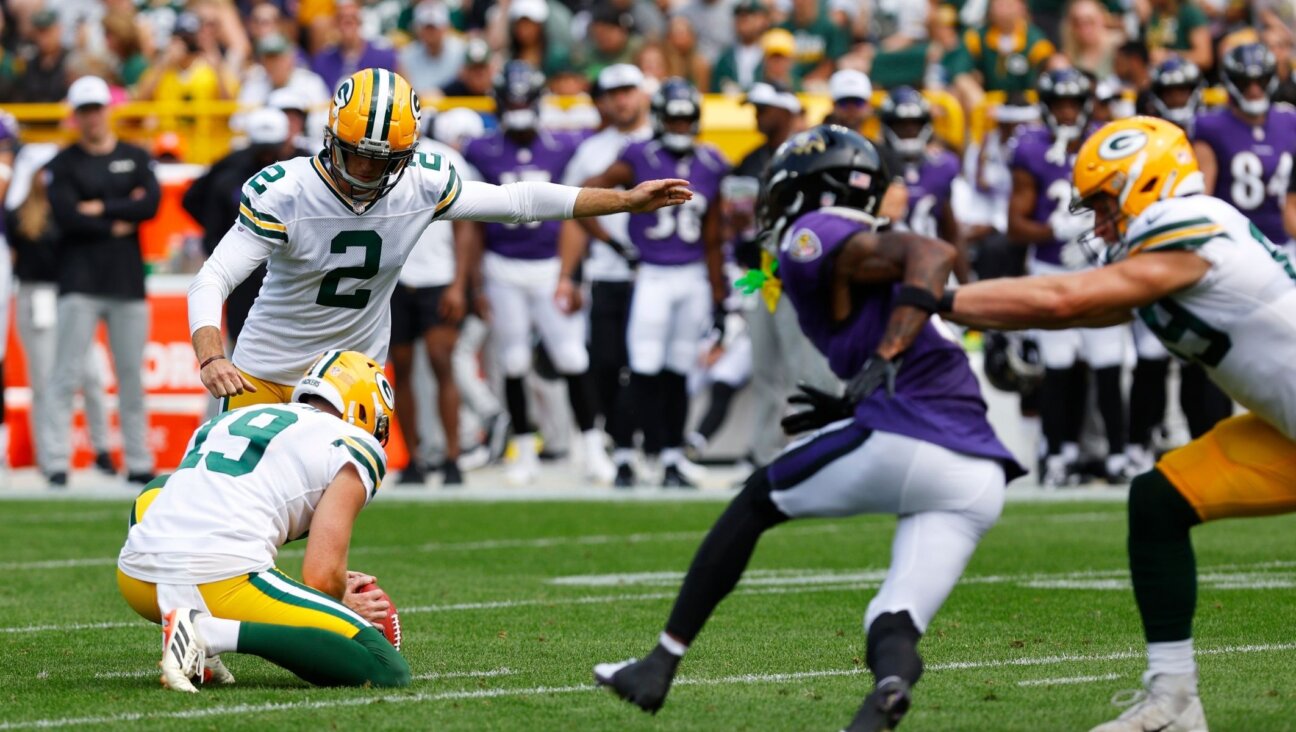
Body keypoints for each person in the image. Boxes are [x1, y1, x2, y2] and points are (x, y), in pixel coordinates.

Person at [594, 125, 1023, 731]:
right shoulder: (852, 245)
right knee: (893, 620)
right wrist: (854, 400)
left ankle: (658, 665)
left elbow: (932, 255)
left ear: (807, 189)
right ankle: (888, 693)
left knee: (755, 501)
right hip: (979, 474)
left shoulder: (815, 229)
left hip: (912, 438)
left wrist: (885, 357)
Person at [940, 114, 1296, 732]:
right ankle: (1174, 701)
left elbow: (1065, 299)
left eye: (1106, 202)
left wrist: (935, 301)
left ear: (1147, 180)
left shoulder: (1185, 222)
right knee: (1159, 502)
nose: (1101, 222)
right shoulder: (1172, 246)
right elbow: (1079, 313)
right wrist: (957, 310)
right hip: (1285, 429)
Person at [186, 68, 690, 450]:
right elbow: (213, 278)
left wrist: (622, 200)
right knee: (248, 504)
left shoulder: (421, 181)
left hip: (349, 377)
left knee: (330, 500)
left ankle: (332, 584)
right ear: (329, 138)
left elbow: (518, 201)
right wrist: (211, 354)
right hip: (265, 369)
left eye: (381, 160)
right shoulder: (289, 190)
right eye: (355, 154)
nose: (365, 171)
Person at [117, 350, 409, 692]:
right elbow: (320, 575)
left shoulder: (226, 421)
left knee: (160, 488)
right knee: (387, 668)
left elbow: (156, 493)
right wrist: (340, 597)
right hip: (219, 578)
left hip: (137, 581)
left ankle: (194, 634)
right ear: (365, 411)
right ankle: (206, 633)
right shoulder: (357, 444)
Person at [462, 61, 614, 486]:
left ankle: (592, 448)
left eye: (523, 99)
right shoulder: (482, 150)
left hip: (548, 265)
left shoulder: (563, 146)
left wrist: (569, 274)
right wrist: (475, 283)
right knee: (512, 360)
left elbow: (573, 216)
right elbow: (472, 224)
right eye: (511, 100)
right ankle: (524, 450)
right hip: (502, 265)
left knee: (571, 356)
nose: (518, 108)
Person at [582, 78, 730, 488]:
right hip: (652, 274)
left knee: (678, 370)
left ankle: (670, 458)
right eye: (674, 119)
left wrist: (722, 298)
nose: (681, 127)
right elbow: (584, 195)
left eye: (687, 119)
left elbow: (715, 239)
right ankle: (626, 455)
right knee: (643, 367)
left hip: (693, 277)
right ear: (662, 119)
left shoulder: (713, 163)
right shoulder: (638, 155)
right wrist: (614, 244)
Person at [1009, 68, 1130, 485]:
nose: (1066, 112)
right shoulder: (1029, 149)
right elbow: (1015, 224)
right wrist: (1053, 230)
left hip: (1099, 268)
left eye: (1073, 103)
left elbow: (1128, 202)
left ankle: (1118, 453)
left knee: (1108, 363)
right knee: (1058, 367)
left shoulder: (1107, 143)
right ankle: (1057, 454)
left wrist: (1101, 234)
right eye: (1058, 104)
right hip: (1050, 268)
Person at [43, 76, 159, 487]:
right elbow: (67, 215)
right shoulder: (63, 163)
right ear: (76, 116)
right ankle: (56, 460)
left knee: (131, 376)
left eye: (96, 108)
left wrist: (100, 209)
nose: (92, 117)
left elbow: (151, 205)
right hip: (80, 280)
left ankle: (138, 459)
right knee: (66, 373)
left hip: (126, 281)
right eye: (85, 110)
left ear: (107, 110)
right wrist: (119, 217)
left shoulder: (135, 154)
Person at [558, 63, 654, 485]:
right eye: (613, 92)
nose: (621, 99)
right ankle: (620, 447)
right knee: (607, 363)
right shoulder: (592, 152)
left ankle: (654, 444)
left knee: (652, 363)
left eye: (628, 90)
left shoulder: (662, 142)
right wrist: (568, 275)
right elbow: (571, 216)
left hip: (658, 272)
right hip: (608, 270)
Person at [5, 140, 116, 478]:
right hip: (36, 295)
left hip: (72, 295)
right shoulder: (18, 214)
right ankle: (51, 456)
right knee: (44, 379)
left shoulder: (69, 210)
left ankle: (102, 449)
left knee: (92, 375)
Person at [387, 113, 479, 486]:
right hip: (393, 278)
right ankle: (414, 458)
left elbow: (465, 222)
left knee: (443, 363)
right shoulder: (380, 159)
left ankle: (453, 457)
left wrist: (459, 283)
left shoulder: (445, 159)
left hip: (438, 276)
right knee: (403, 369)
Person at [183, 108, 307, 350]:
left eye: (272, 148)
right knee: (241, 341)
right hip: (245, 271)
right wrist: (230, 242)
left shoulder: (304, 169)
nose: (267, 155)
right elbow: (192, 199)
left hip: (293, 269)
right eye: (262, 148)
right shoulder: (229, 170)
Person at [1197, 44, 1296, 255]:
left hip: (1285, 241)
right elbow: (1202, 197)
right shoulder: (1210, 126)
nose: (1254, 90)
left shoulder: (1289, 120)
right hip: (1233, 244)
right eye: (1245, 82)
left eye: (1261, 81)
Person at [880, 87, 964, 278]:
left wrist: (964, 283)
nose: (909, 130)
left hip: (934, 264)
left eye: (915, 124)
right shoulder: (875, 166)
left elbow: (951, 232)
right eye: (901, 125)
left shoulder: (943, 165)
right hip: (888, 266)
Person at [311, 0, 398, 91]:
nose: (347, 22)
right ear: (335, 24)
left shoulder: (383, 58)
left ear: (360, 22)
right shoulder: (323, 61)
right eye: (342, 18)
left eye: (352, 18)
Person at [398, 2, 464, 100]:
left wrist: (443, 92)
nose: (430, 32)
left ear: (446, 27)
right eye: (426, 27)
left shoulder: (461, 51)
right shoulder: (406, 55)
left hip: (453, 108)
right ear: (417, 29)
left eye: (434, 27)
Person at [711, 0, 772, 94]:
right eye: (740, 16)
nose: (744, 21)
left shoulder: (773, 52)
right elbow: (716, 89)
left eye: (750, 16)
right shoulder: (725, 57)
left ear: (762, 20)